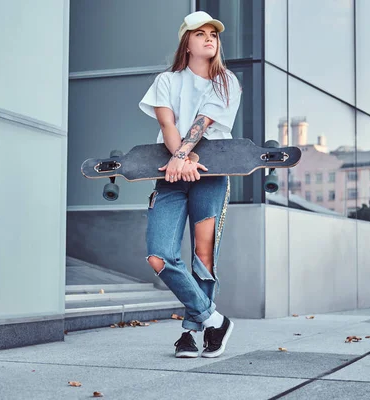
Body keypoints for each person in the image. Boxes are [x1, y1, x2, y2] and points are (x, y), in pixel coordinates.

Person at [138, 11, 242, 358]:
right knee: (158, 255)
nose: (210, 38)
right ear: (187, 41)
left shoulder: (227, 81)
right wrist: (179, 159)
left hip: (210, 175)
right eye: (201, 34)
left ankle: (190, 333)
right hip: (171, 176)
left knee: (203, 257)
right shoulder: (166, 81)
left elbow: (202, 122)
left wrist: (183, 155)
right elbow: (167, 123)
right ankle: (213, 319)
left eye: (214, 33)